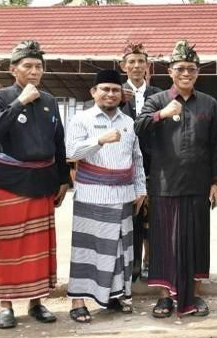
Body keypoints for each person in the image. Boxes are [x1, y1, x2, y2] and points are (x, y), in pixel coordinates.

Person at [0, 40, 71, 329]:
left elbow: (58, 142)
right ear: (13, 69)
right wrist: (20, 101)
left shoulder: (49, 100)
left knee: (39, 245)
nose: (34, 71)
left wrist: (63, 178)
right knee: (9, 243)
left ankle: (37, 301)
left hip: (43, 179)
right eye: (27, 66)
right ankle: (6, 304)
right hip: (9, 179)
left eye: (38, 67)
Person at [135, 40, 217, 318]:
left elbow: (215, 145)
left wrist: (215, 182)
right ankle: (164, 296)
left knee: (197, 240)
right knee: (164, 242)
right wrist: (162, 114)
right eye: (181, 69)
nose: (186, 73)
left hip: (198, 185)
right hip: (164, 184)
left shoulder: (208, 103)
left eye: (192, 69)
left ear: (198, 72)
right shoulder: (157, 100)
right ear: (170, 72)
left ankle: (194, 294)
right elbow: (138, 127)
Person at [65, 69, 147, 322]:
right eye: (105, 89)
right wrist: (100, 140)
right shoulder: (81, 119)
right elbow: (71, 153)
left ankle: (115, 295)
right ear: (94, 92)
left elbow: (137, 158)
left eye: (115, 90)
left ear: (122, 95)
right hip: (92, 194)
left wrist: (141, 188)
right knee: (88, 248)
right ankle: (78, 301)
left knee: (119, 248)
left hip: (124, 193)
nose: (110, 94)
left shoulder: (128, 122)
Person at [119, 42, 162, 281]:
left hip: (155, 164)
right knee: (130, 218)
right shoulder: (113, 92)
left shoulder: (158, 94)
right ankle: (131, 267)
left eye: (141, 62)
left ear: (148, 66)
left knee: (154, 218)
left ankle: (150, 263)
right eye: (131, 62)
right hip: (124, 165)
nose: (136, 66)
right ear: (123, 66)